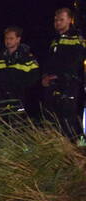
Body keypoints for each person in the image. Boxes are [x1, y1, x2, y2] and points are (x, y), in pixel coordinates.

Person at [41, 7, 86, 141]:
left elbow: (75, 64)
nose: (58, 23)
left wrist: (59, 76)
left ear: (70, 20)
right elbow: (48, 62)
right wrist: (44, 76)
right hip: (51, 87)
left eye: (61, 20)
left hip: (69, 86)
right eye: (56, 20)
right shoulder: (55, 40)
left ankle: (73, 154)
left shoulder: (77, 39)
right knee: (51, 121)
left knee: (68, 123)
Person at [0, 27, 40, 112]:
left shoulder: (26, 57)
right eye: (6, 38)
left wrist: (19, 89)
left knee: (17, 124)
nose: (8, 41)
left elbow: (34, 78)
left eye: (11, 38)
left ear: (18, 39)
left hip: (18, 101)